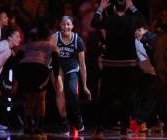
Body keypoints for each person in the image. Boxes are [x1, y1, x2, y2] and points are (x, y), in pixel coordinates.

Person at [91, 0, 143, 134]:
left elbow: (94, 23)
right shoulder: (132, 19)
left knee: (106, 97)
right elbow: (142, 20)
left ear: (114, 8)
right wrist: (132, 6)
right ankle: (125, 128)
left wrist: (101, 8)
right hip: (128, 65)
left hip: (111, 65)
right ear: (126, 9)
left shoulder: (109, 19)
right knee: (127, 97)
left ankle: (99, 127)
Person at [12, 22, 59, 136]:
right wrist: (56, 78)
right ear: (48, 36)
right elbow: (56, 62)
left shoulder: (28, 45)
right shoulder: (51, 45)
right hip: (39, 68)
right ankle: (39, 127)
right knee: (41, 99)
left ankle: (28, 127)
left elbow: (17, 58)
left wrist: (16, 78)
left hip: (24, 68)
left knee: (29, 99)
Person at [51, 16, 91, 135]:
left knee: (72, 91)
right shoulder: (54, 38)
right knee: (60, 90)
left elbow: (83, 65)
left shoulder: (78, 40)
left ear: (72, 26)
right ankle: (64, 122)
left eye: (68, 24)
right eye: (63, 24)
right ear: (60, 26)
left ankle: (77, 118)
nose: (66, 27)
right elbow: (49, 56)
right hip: (57, 65)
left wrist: (84, 86)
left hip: (72, 66)